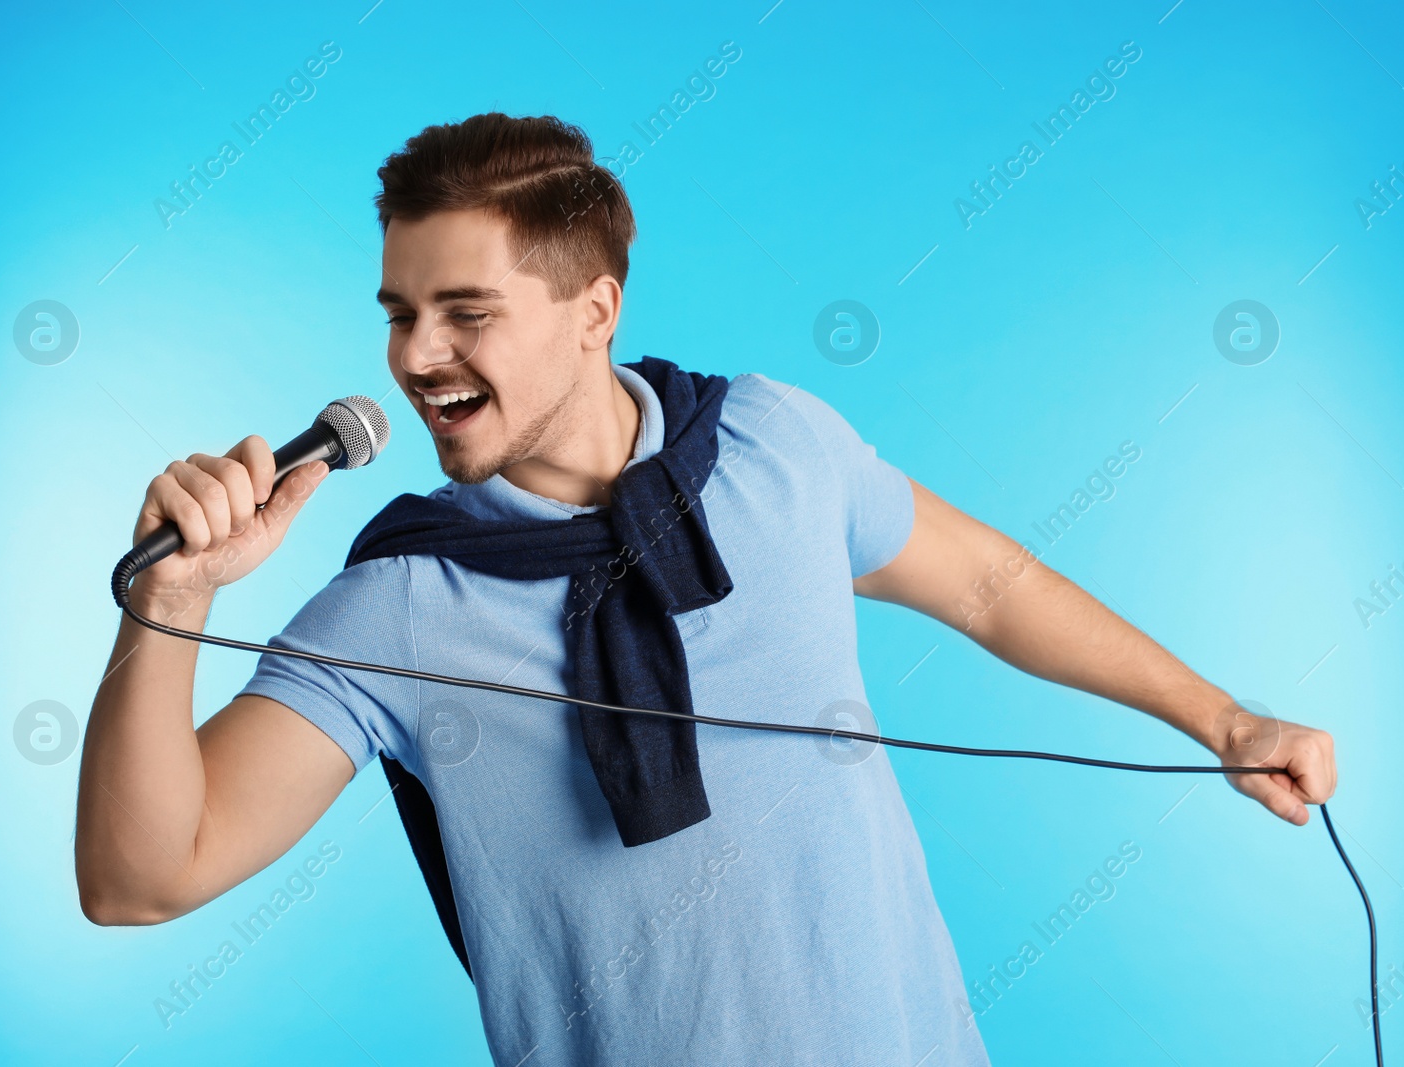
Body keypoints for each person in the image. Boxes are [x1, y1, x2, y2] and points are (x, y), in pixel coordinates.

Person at [75, 112, 1338, 1066]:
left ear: (594, 311)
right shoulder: (401, 602)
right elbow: (141, 875)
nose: (415, 357)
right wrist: (170, 605)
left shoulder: (775, 445)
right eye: (399, 313)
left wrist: (1223, 721)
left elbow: (991, 585)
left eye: (465, 312)